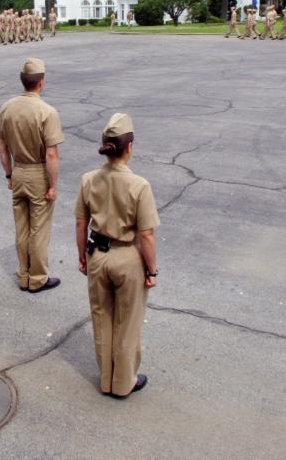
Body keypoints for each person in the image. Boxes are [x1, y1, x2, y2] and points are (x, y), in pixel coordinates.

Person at [75, 112, 159, 399]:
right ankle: (124, 383)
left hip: (97, 253)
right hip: (127, 258)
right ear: (130, 147)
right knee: (127, 322)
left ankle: (106, 379)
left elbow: (80, 222)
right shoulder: (139, 185)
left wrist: (82, 257)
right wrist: (152, 270)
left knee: (102, 318)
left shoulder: (88, 179)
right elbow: (146, 235)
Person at [0, 57, 64, 293]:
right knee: (39, 229)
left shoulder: (7, 107)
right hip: (38, 172)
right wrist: (52, 185)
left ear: (23, 81)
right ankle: (37, 278)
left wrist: (8, 174)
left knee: (22, 226)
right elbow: (52, 155)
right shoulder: (47, 111)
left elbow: (2, 146)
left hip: (18, 171)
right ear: (41, 83)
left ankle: (23, 274)